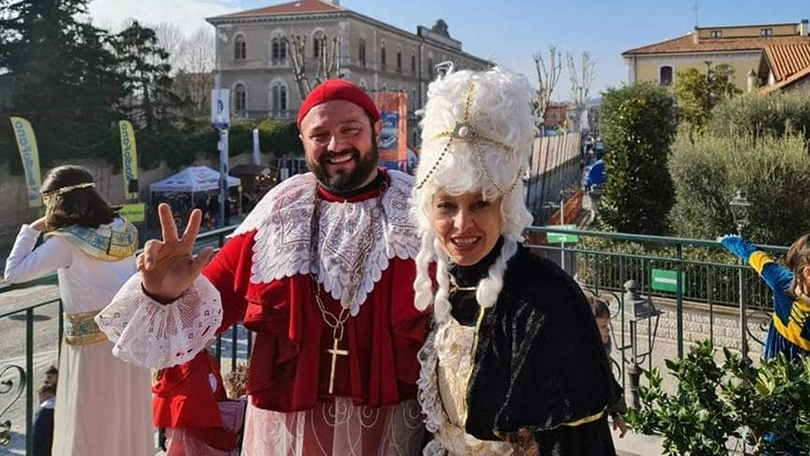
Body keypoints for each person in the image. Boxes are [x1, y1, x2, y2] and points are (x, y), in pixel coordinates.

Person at [96, 78, 430, 455]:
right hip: (286, 432)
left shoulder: (422, 208)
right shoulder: (278, 208)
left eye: (350, 130)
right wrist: (164, 293)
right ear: (303, 141)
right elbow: (207, 311)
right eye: (319, 134)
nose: (336, 145)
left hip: (390, 430)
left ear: (375, 129)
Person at [411, 66, 616, 455]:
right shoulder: (439, 285)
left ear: (504, 206)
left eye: (479, 204)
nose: (461, 224)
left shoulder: (549, 299)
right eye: (447, 206)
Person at [3, 165, 152, 456]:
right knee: (126, 416)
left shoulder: (67, 242)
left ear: (56, 202)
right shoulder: (122, 228)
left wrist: (32, 229)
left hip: (90, 348)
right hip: (129, 338)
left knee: (91, 422)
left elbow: (14, 273)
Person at [719, 234, 810, 360]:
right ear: (807, 273)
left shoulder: (782, 281)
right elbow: (758, 258)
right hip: (779, 353)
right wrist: (731, 241)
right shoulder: (782, 282)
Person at [154, 348, 246, 456]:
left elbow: (217, 399)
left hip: (203, 440)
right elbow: (193, 419)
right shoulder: (188, 365)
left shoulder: (205, 358)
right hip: (193, 444)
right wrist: (229, 440)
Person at [588, 296, 628, 439]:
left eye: (608, 326)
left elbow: (608, 385)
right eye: (603, 327)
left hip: (598, 427)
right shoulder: (574, 358)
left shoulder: (602, 357)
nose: (608, 331)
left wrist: (615, 413)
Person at [32, 384, 55, 456]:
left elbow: (38, 435)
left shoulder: (44, 411)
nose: (40, 399)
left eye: (41, 396)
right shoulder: (59, 408)